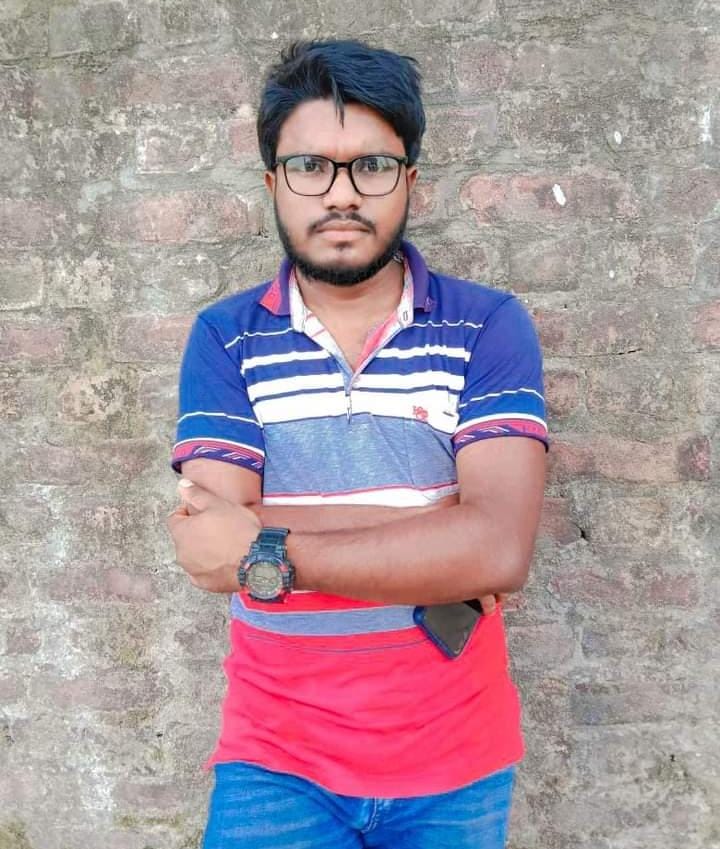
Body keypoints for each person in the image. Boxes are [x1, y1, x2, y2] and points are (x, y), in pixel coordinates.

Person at [167, 39, 547, 849]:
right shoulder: (226, 337)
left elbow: (498, 548)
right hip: (276, 764)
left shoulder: (487, 325)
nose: (341, 194)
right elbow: (209, 551)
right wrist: (437, 535)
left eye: (371, 166)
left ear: (410, 180)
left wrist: (270, 547)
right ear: (272, 183)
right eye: (310, 166)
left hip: (456, 760)